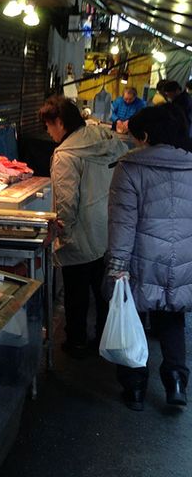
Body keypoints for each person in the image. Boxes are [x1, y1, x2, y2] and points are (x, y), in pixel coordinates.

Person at [105, 105, 192, 410]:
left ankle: (135, 389)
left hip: (142, 258)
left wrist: (117, 267)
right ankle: (176, 382)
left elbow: (122, 224)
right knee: (172, 318)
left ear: (144, 136)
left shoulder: (130, 167)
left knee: (134, 319)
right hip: (184, 259)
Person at [39, 95, 128, 359]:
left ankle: (76, 341)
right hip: (107, 226)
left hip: (81, 231)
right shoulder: (104, 138)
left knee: (76, 293)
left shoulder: (66, 155)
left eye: (48, 125)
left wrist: (61, 231)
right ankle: (103, 339)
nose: (48, 132)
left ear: (59, 122)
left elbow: (66, 201)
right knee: (101, 291)